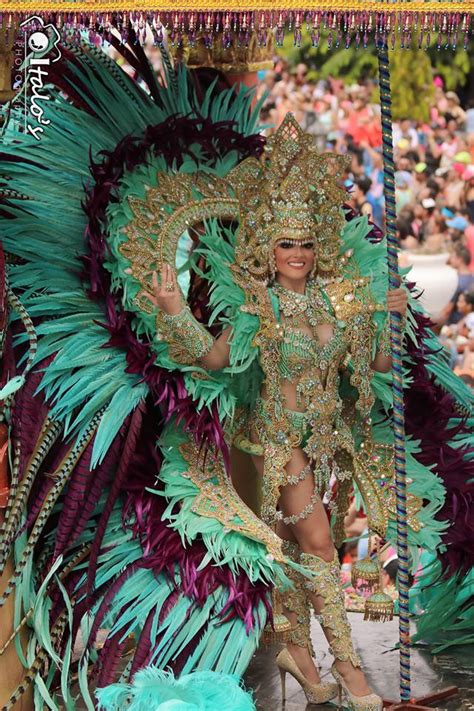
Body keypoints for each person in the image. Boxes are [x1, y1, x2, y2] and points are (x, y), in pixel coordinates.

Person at [142, 116, 408, 711]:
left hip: (323, 441)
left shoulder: (340, 297)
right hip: (272, 440)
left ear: (319, 244)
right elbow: (215, 359)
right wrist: (171, 307)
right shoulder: (255, 304)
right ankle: (350, 673)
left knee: (301, 547)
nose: (296, 254)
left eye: (306, 242)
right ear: (268, 245)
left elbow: (379, 366)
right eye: (285, 243)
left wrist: (386, 317)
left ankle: (298, 656)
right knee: (315, 547)